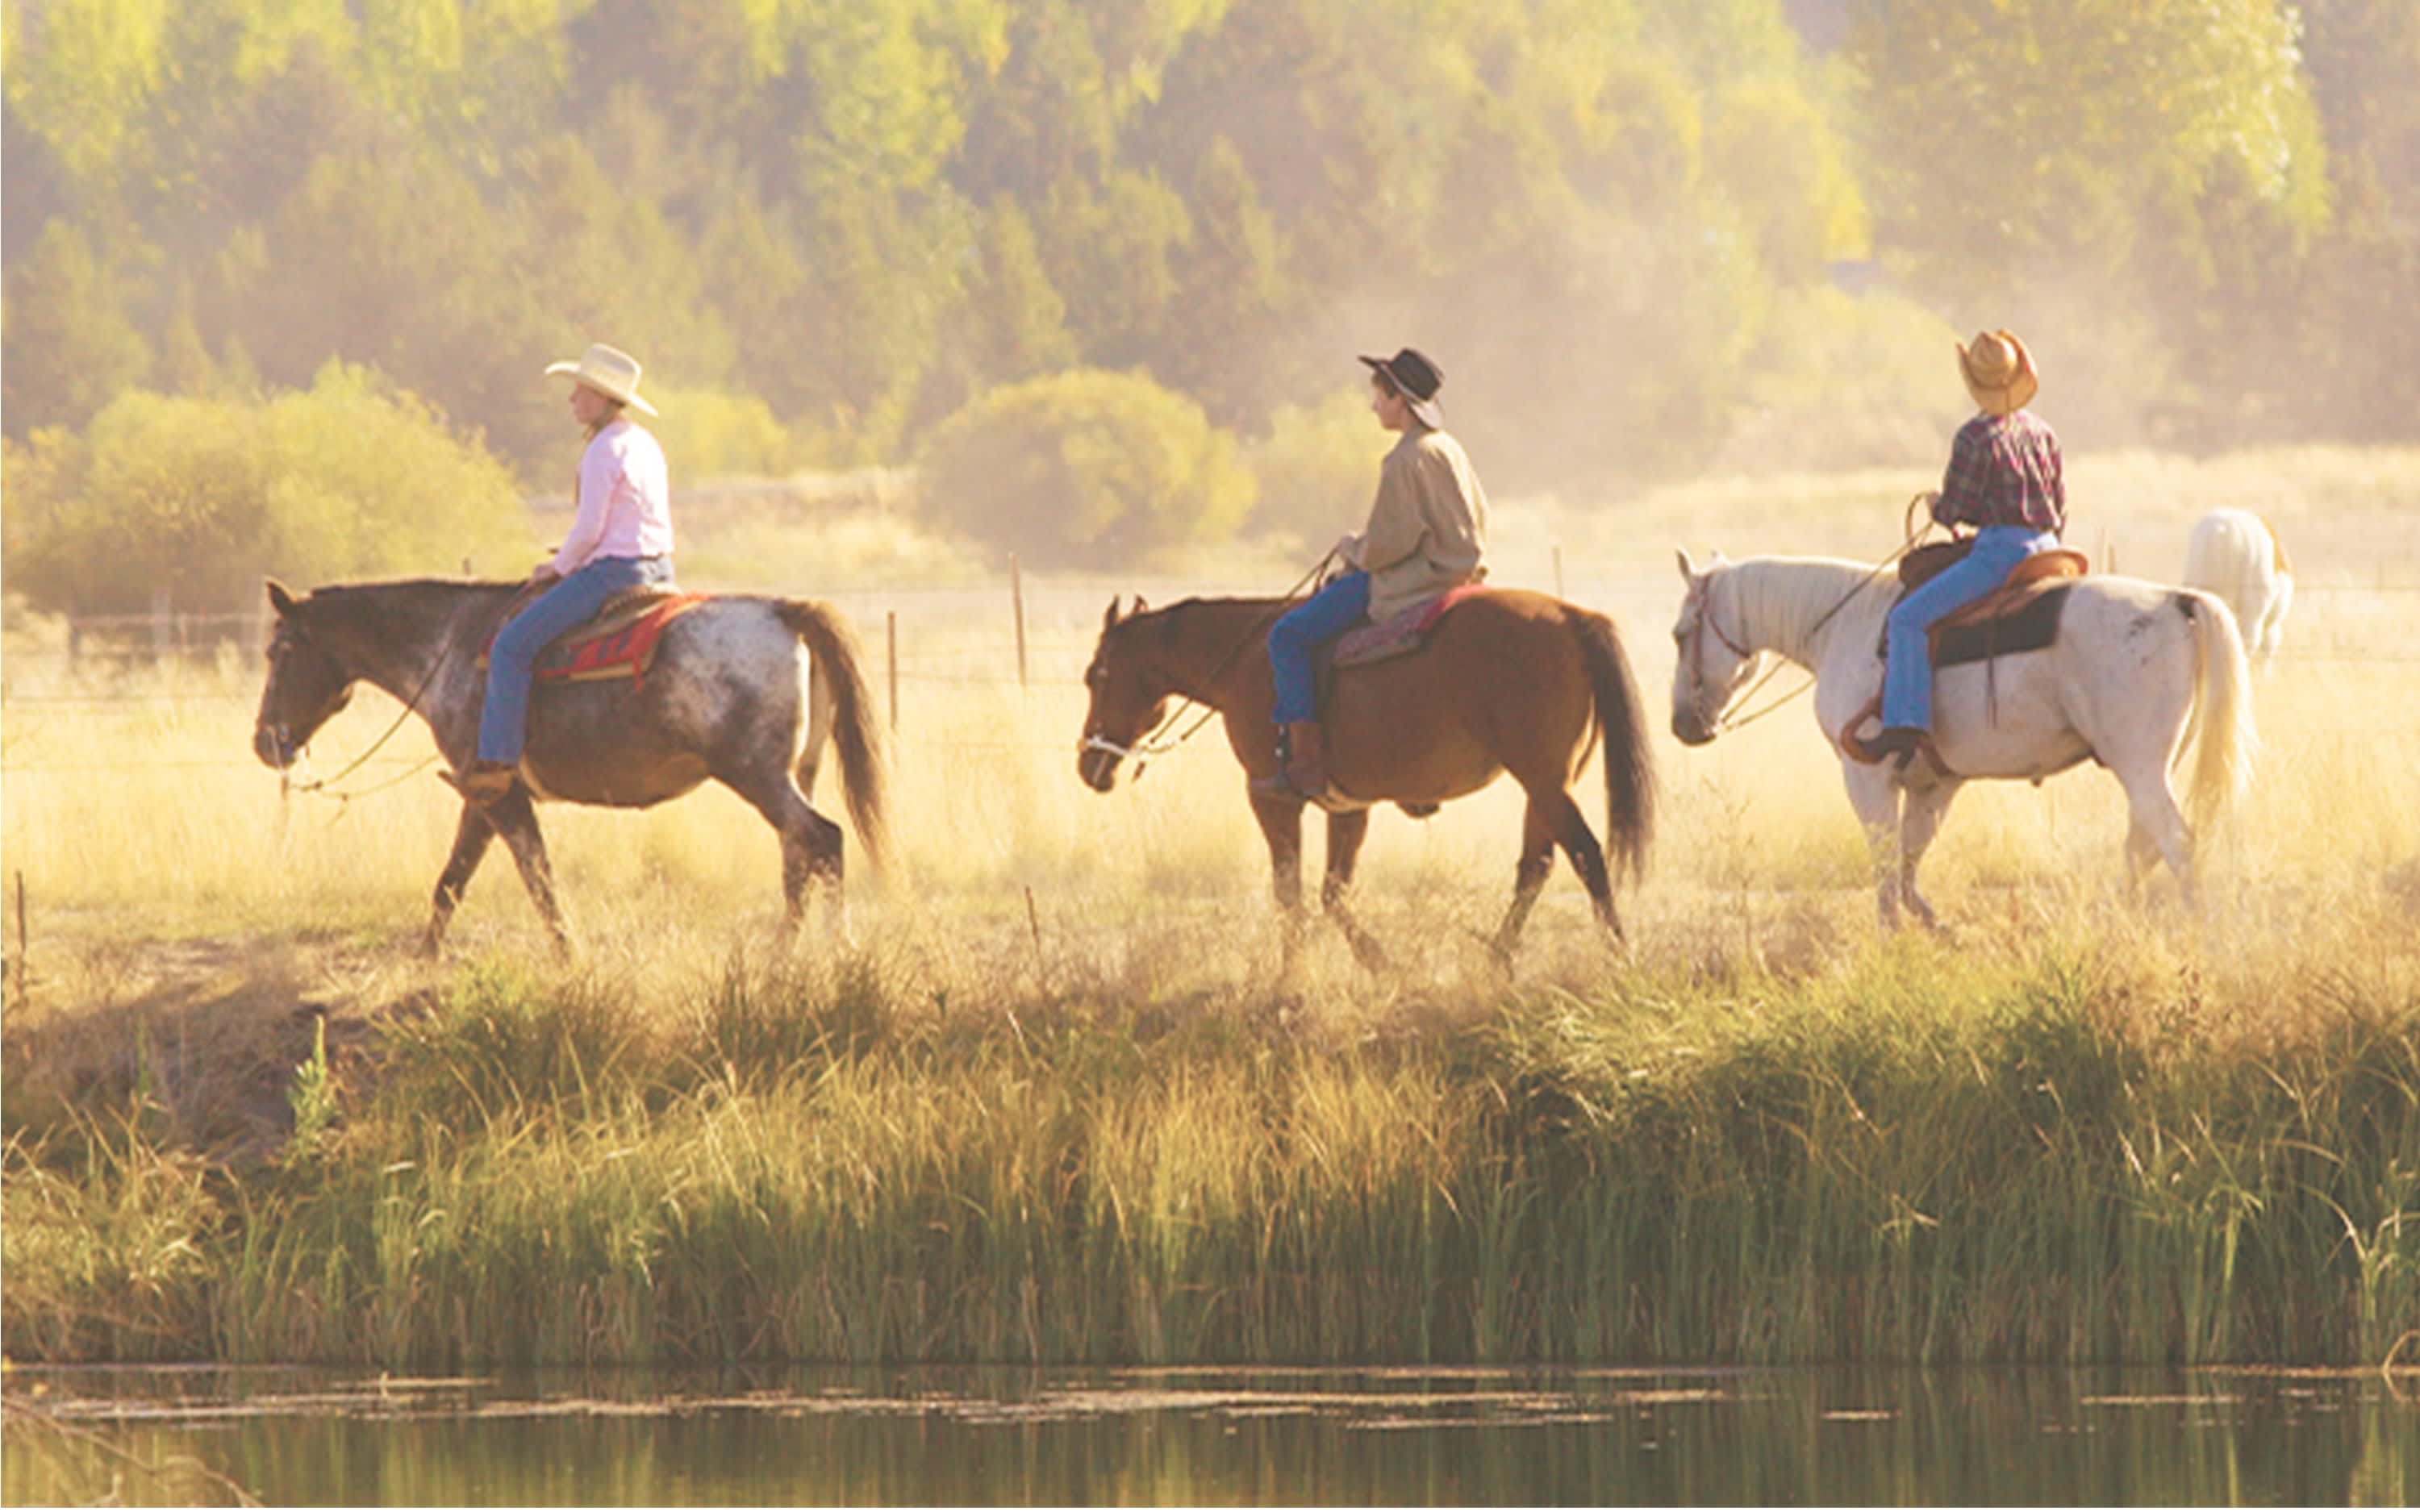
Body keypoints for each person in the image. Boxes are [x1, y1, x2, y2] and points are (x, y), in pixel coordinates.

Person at [1250, 347, 1490, 800]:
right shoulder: (1448, 448)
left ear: (1400, 400)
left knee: (1288, 636)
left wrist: (1352, 548)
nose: (1373, 405)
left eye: (1379, 396)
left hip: (1416, 580)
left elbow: (1387, 545)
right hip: (1461, 572)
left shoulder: (1403, 459)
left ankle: (1304, 760)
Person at [455, 343, 676, 802]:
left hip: (614, 573)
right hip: (659, 568)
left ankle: (496, 763)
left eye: (580, 391)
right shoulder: (644, 442)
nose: (572, 399)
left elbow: (590, 529)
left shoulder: (603, 450)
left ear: (601, 398)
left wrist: (555, 567)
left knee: (511, 645)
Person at [1872, 330, 2066, 764]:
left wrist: (1936, 506)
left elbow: (1957, 509)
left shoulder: (1975, 437)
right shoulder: (2043, 432)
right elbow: (2061, 504)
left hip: (2002, 552)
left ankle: (1905, 725)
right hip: (2050, 547)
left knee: (1906, 619)